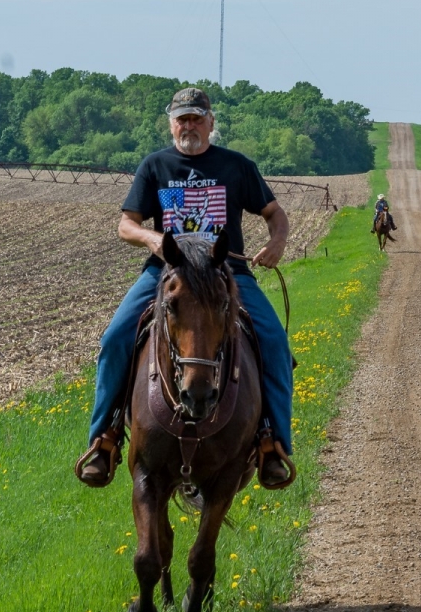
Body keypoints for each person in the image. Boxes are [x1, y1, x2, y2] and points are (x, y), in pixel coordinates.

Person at [77, 87, 295, 490]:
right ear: (171, 124)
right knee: (115, 339)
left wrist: (277, 242)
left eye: (196, 118)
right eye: (182, 119)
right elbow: (126, 224)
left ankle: (273, 443)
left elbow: (274, 213)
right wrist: (152, 239)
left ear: (211, 122)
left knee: (274, 343)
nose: (189, 126)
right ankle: (104, 438)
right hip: (168, 274)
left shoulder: (236, 166)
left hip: (226, 274)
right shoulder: (154, 166)